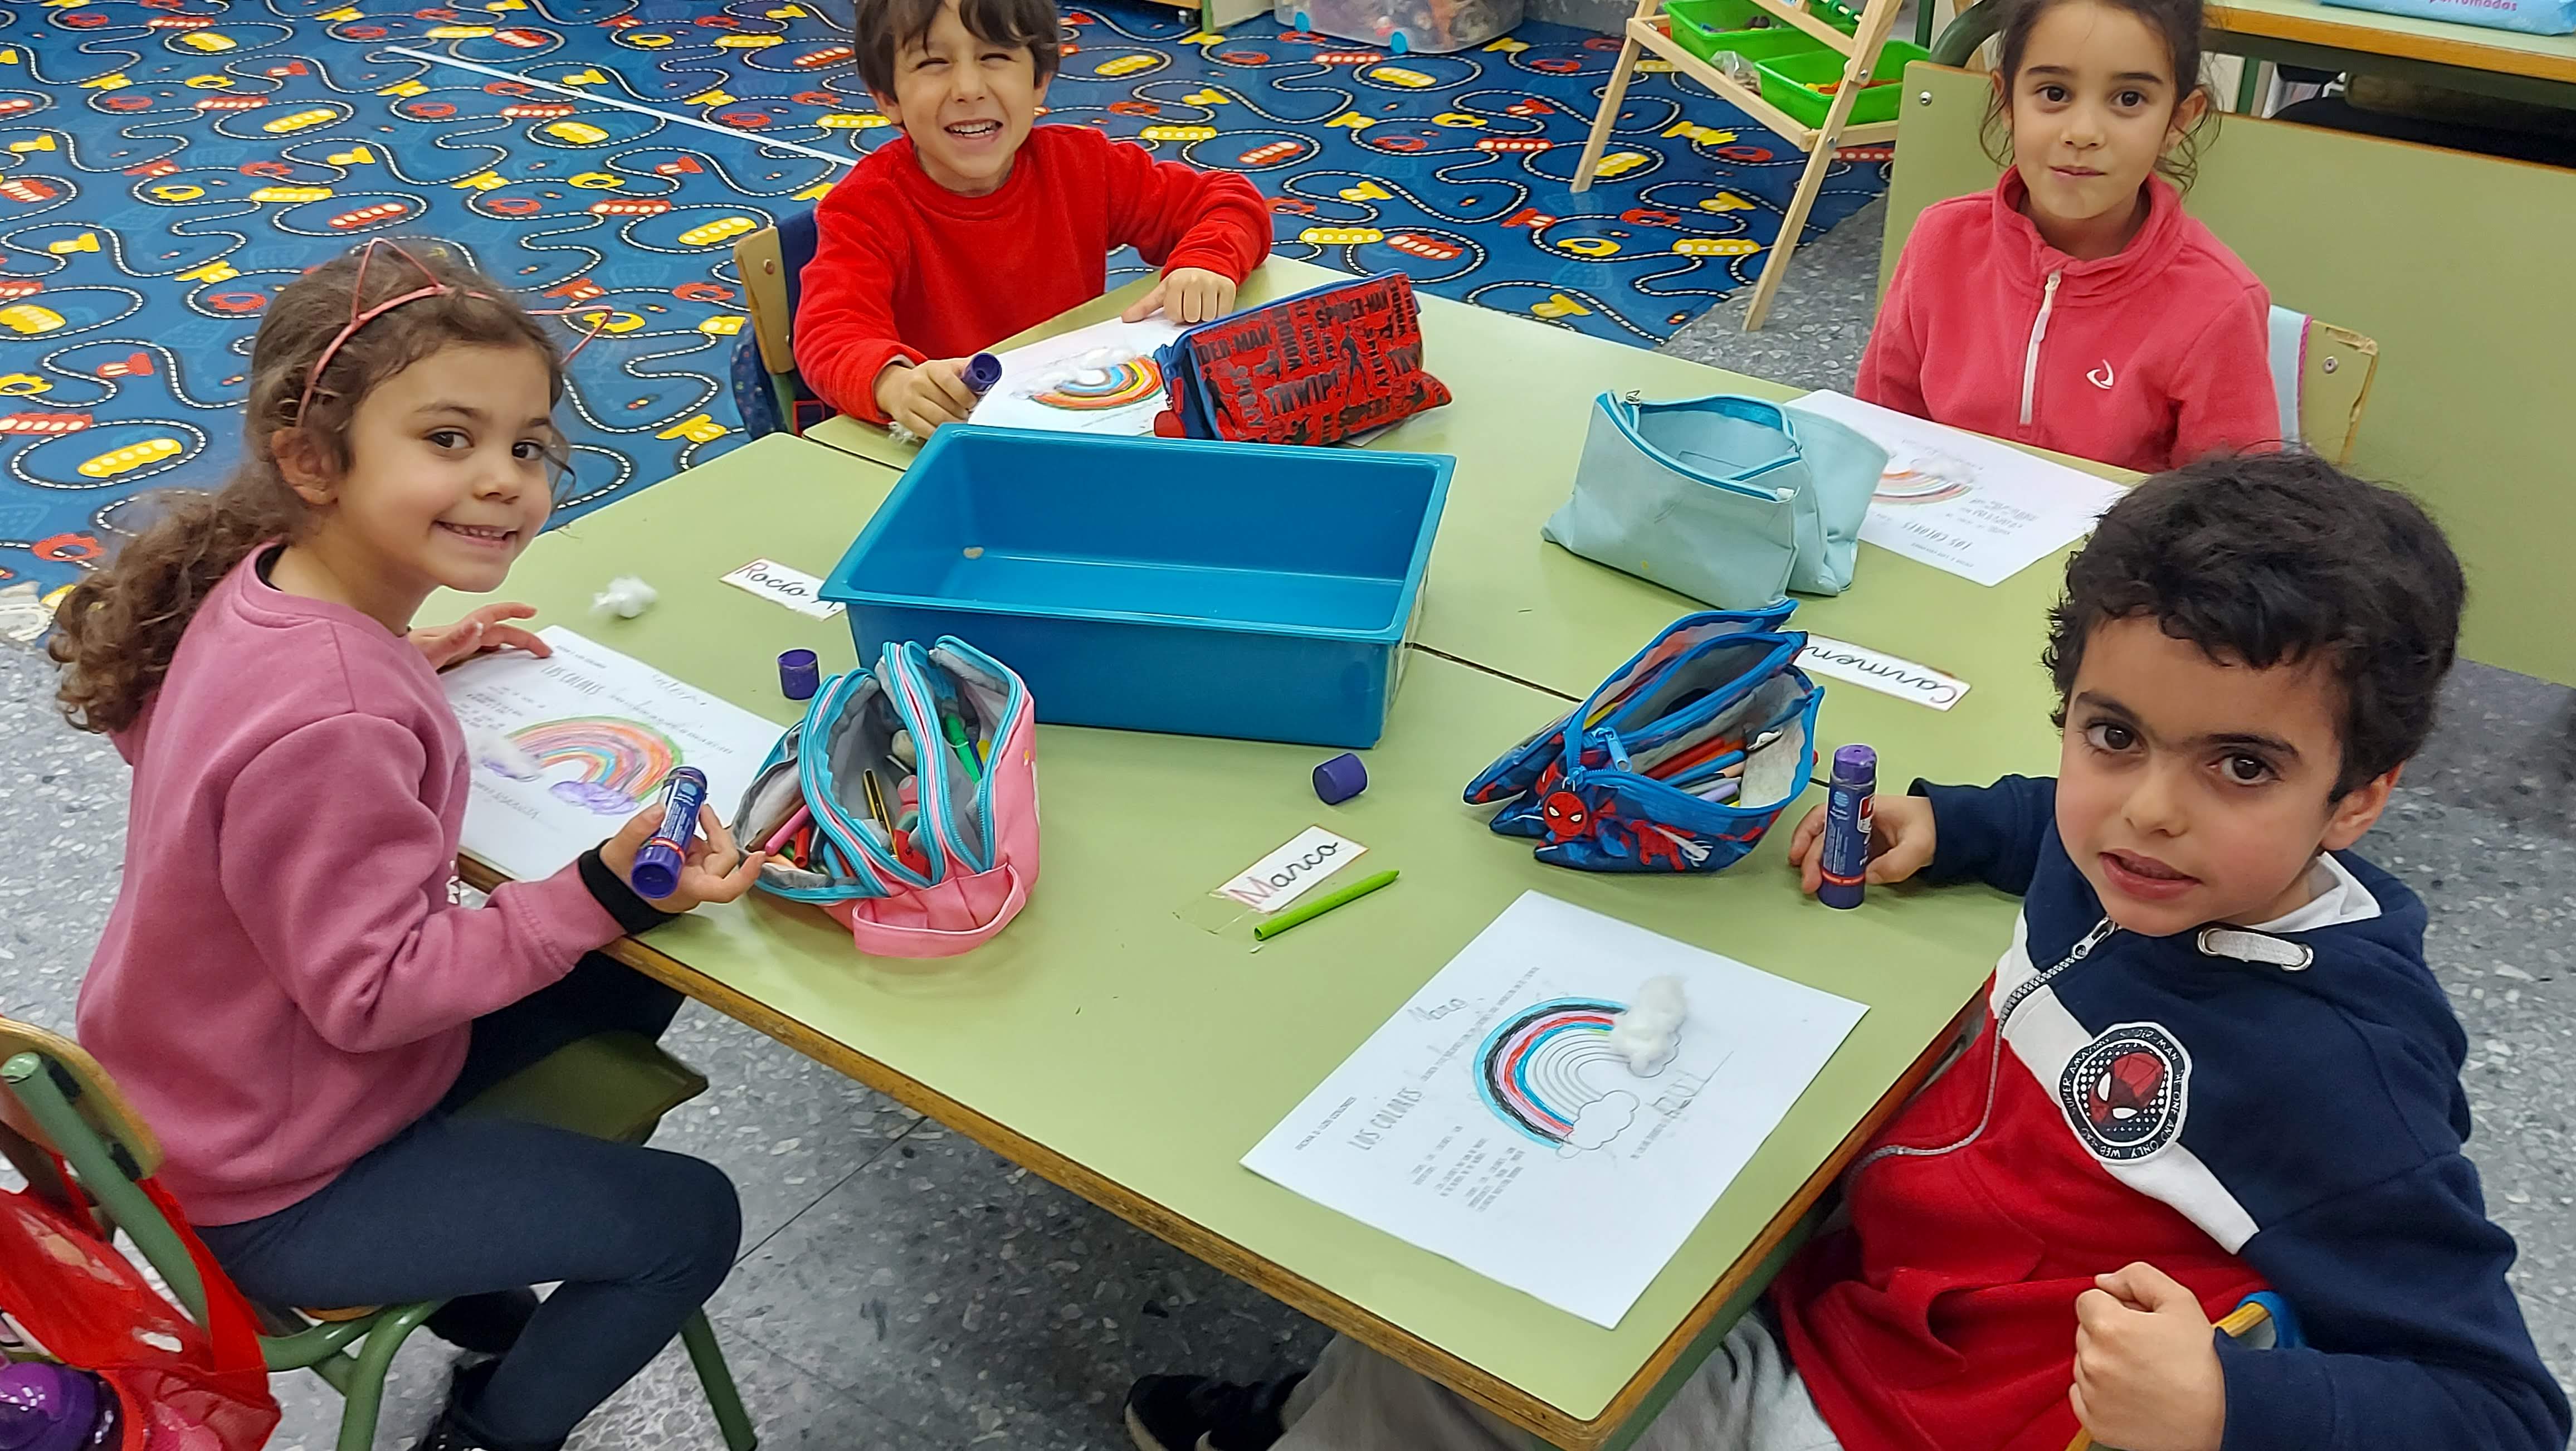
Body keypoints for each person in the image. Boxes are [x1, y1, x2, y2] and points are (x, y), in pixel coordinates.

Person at [1121, 452, 2572, 1451]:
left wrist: (2229, 1412)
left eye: (2240, 765)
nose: (2148, 809)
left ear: (2359, 799)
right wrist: (1953, 822)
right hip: (1861, 1281)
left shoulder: (2338, 1068)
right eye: (2112, 733)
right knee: (1450, 1304)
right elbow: (2059, 817)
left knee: (1469, 1352)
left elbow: (2503, 1412)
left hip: (1886, 1414)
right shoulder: (2145, 858)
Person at [51, 241, 765, 1451]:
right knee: (686, 1219)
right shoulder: (337, 717)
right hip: (282, 1180)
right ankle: (484, 1431)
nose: (504, 481)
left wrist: (402, 657)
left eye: (528, 446)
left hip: (193, 1097)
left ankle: (478, 1271)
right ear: (311, 460)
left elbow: (191, 737)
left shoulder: (260, 588)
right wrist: (598, 887)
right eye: (448, 438)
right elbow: (373, 996)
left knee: (620, 967)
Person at [793, 0, 1273, 439]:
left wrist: (1207, 261)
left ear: (1039, 79)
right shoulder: (865, 209)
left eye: (995, 56)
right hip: (944, 453)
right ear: (887, 97)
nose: (968, 89)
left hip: (1076, 429)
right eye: (933, 63)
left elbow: (1228, 202)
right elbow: (831, 333)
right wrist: (893, 383)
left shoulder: (1083, 167)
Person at [1855, 0, 2276, 474]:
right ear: (2007, 102)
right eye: (2054, 93)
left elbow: (2234, 505)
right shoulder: (1941, 241)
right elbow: (1876, 431)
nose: (2083, 133)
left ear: (2179, 120)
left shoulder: (2220, 303)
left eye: (2129, 99)